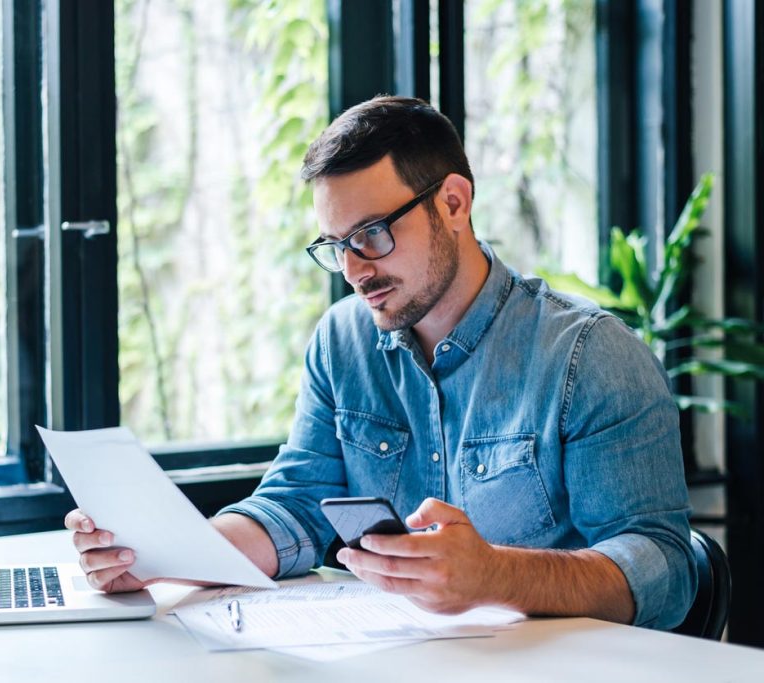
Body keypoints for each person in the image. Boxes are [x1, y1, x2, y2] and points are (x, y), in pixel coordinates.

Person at [66, 96, 696, 630]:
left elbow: (663, 569)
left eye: (371, 234)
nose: (354, 272)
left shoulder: (588, 354)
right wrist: (162, 555)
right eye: (336, 246)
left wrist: (498, 575)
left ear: (452, 203)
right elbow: (298, 503)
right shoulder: (343, 342)